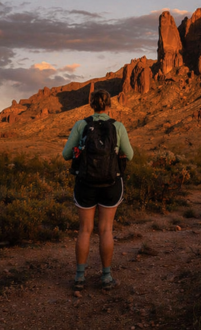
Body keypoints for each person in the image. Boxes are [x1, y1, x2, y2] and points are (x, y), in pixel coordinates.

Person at [62, 88, 133, 290]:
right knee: (106, 230)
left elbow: (66, 154)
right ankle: (106, 277)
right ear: (109, 105)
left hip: (85, 183)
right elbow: (131, 155)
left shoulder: (81, 125)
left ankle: (79, 278)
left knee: (85, 230)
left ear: (91, 104)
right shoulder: (118, 126)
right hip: (111, 184)